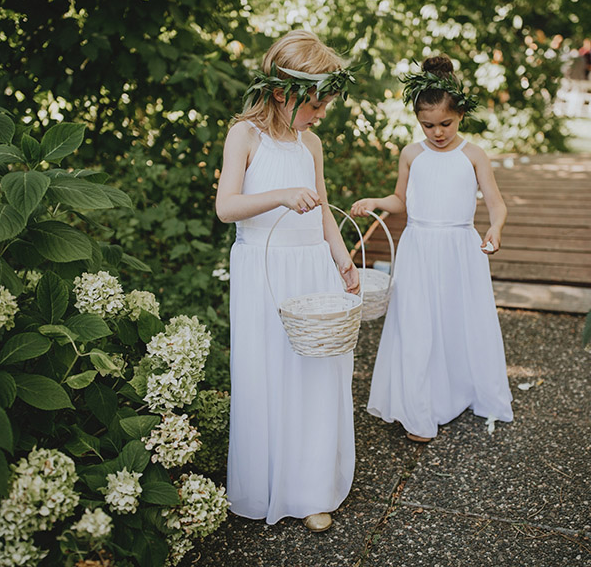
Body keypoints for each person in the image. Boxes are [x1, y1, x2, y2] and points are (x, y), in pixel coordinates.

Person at [216, 30, 360, 533]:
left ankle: (312, 487)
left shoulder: (311, 144)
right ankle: (270, 481)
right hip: (266, 272)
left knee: (316, 377)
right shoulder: (245, 137)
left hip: (312, 268)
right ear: (282, 92)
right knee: (271, 374)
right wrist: (280, 194)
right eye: (315, 105)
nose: (320, 115)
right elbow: (226, 207)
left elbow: (323, 211)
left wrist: (342, 260)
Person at [350, 55, 514, 443]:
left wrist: (496, 227)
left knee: (458, 320)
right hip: (419, 247)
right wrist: (376, 201)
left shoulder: (473, 154)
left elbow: (496, 201)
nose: (438, 132)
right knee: (418, 323)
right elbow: (401, 200)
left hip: (460, 247)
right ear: (416, 119)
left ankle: (459, 390)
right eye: (428, 125)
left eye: (446, 123)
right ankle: (420, 408)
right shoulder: (412, 154)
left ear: (460, 116)